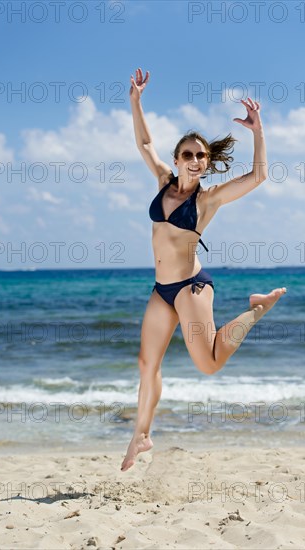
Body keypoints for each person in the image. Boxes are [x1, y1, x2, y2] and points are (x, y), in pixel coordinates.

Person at [121, 68, 286, 471]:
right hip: (161, 289)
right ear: (177, 160)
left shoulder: (208, 200)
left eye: (201, 156)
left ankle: (257, 308)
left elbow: (260, 175)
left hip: (191, 288)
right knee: (147, 364)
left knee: (209, 364)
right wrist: (136, 100)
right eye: (188, 155)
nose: (195, 161)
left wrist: (258, 131)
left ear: (206, 164)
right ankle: (141, 435)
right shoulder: (163, 181)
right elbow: (144, 142)